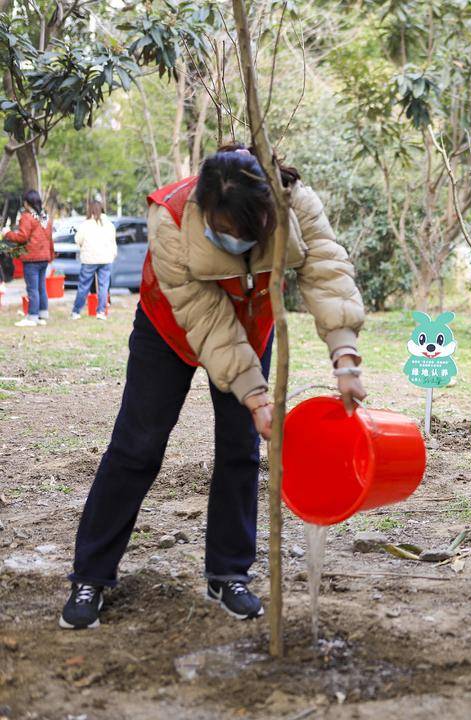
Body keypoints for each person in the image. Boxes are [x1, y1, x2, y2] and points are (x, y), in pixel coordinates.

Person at [60, 145, 367, 630]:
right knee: (136, 448)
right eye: (224, 234)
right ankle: (91, 575)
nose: (235, 244)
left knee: (241, 449)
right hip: (172, 330)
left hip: (253, 324)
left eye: (246, 236)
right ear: (204, 210)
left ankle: (228, 573)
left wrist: (345, 355)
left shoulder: (293, 203)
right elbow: (208, 321)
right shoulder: (171, 221)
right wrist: (254, 394)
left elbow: (326, 271)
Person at [4, 190, 54, 327]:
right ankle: (42, 313)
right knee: (41, 287)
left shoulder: (27, 217)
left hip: (32, 258)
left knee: (32, 288)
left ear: (27, 202)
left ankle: (32, 317)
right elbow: (50, 238)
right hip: (44, 257)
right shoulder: (44, 216)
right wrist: (51, 255)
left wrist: (7, 233)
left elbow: (22, 237)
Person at [71, 199, 117, 320]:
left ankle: (76, 311)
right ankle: (101, 312)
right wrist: (113, 255)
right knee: (103, 286)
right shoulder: (109, 224)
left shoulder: (86, 224)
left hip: (89, 259)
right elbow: (113, 242)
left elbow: (78, 240)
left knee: (84, 286)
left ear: (90, 210)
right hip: (106, 259)